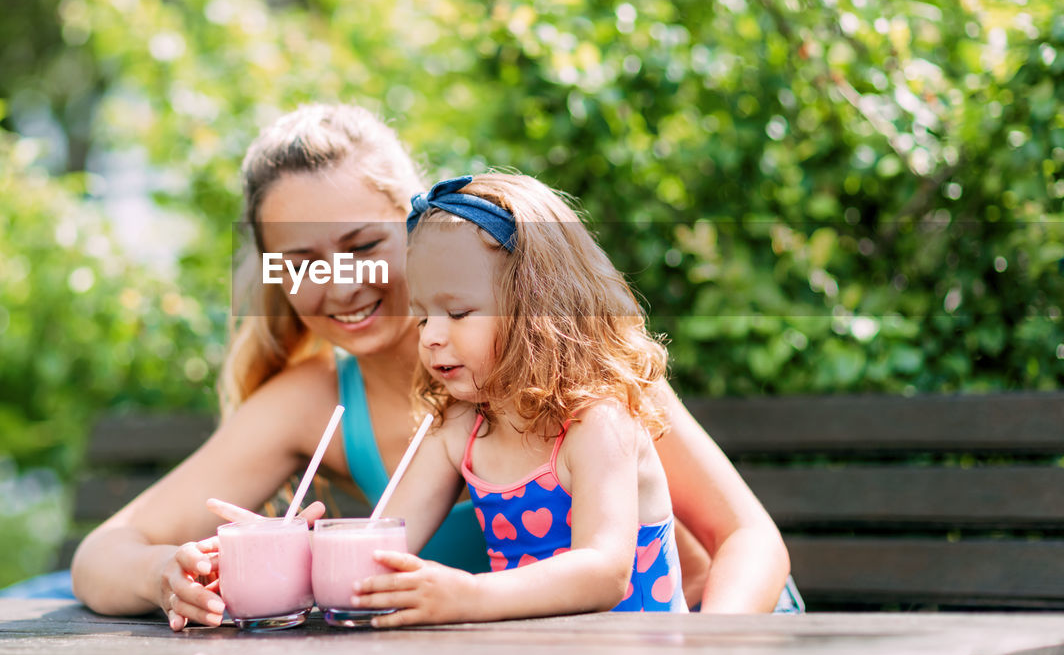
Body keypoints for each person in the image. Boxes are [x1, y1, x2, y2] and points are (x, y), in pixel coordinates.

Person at [69, 103, 796, 628]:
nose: (340, 282)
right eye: (301, 261)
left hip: (710, 637)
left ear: (422, 231)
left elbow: (748, 539)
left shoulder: (582, 374)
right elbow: (103, 554)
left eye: (362, 244)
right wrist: (172, 574)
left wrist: (713, 653)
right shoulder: (319, 400)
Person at [350, 173, 686, 625]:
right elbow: (373, 551)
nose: (430, 336)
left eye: (458, 313)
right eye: (422, 317)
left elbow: (605, 572)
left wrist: (469, 594)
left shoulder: (596, 423)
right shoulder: (461, 430)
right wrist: (266, 553)